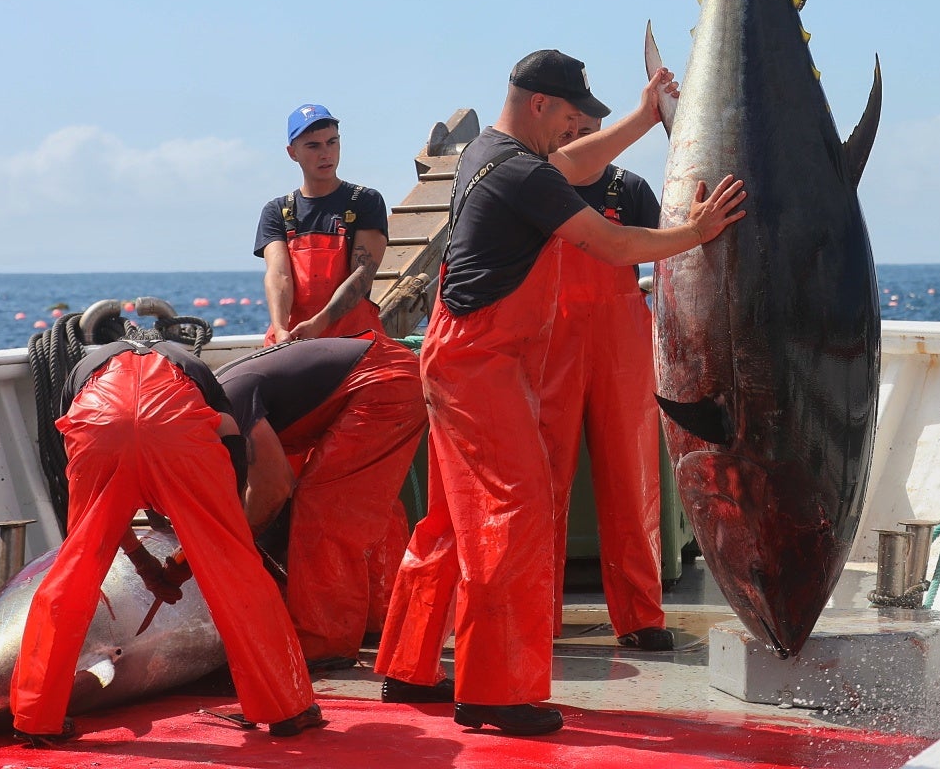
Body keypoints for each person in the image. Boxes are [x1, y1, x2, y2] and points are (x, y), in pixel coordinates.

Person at [375, 50, 744, 737]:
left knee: (451, 523)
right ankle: (493, 691)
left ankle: (408, 665)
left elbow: (574, 164)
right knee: (513, 516)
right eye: (570, 116)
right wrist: (696, 233)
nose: (574, 131)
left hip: (459, 357)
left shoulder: (488, 154)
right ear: (539, 103)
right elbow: (611, 244)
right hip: (483, 367)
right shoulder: (522, 172)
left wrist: (644, 115)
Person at [10, 328, 321, 744]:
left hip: (98, 424)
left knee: (75, 571)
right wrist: (196, 552)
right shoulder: (190, 365)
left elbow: (98, 500)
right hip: (179, 430)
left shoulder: (84, 370)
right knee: (239, 573)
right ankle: (287, 708)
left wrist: (145, 565)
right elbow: (229, 435)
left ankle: (35, 718)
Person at [539, 113, 669, 651]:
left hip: (622, 352)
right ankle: (535, 617)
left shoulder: (630, 190)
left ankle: (641, 616)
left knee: (631, 482)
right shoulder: (538, 184)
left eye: (589, 123)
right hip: (551, 347)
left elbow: (667, 259)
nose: (580, 133)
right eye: (571, 123)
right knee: (542, 486)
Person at [217, 333, 426, 667]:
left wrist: (235, 544)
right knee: (362, 499)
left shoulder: (225, 403)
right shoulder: (215, 397)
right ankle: (375, 619)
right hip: (388, 371)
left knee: (325, 506)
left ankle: (326, 640)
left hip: (382, 382)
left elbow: (274, 486)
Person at [255, 103, 390, 346]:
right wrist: (281, 330)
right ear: (292, 153)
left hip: (354, 340)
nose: (325, 153)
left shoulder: (365, 201)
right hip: (291, 339)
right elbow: (279, 274)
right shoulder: (277, 211)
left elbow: (363, 273)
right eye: (313, 146)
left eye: (332, 142)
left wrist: (320, 323)